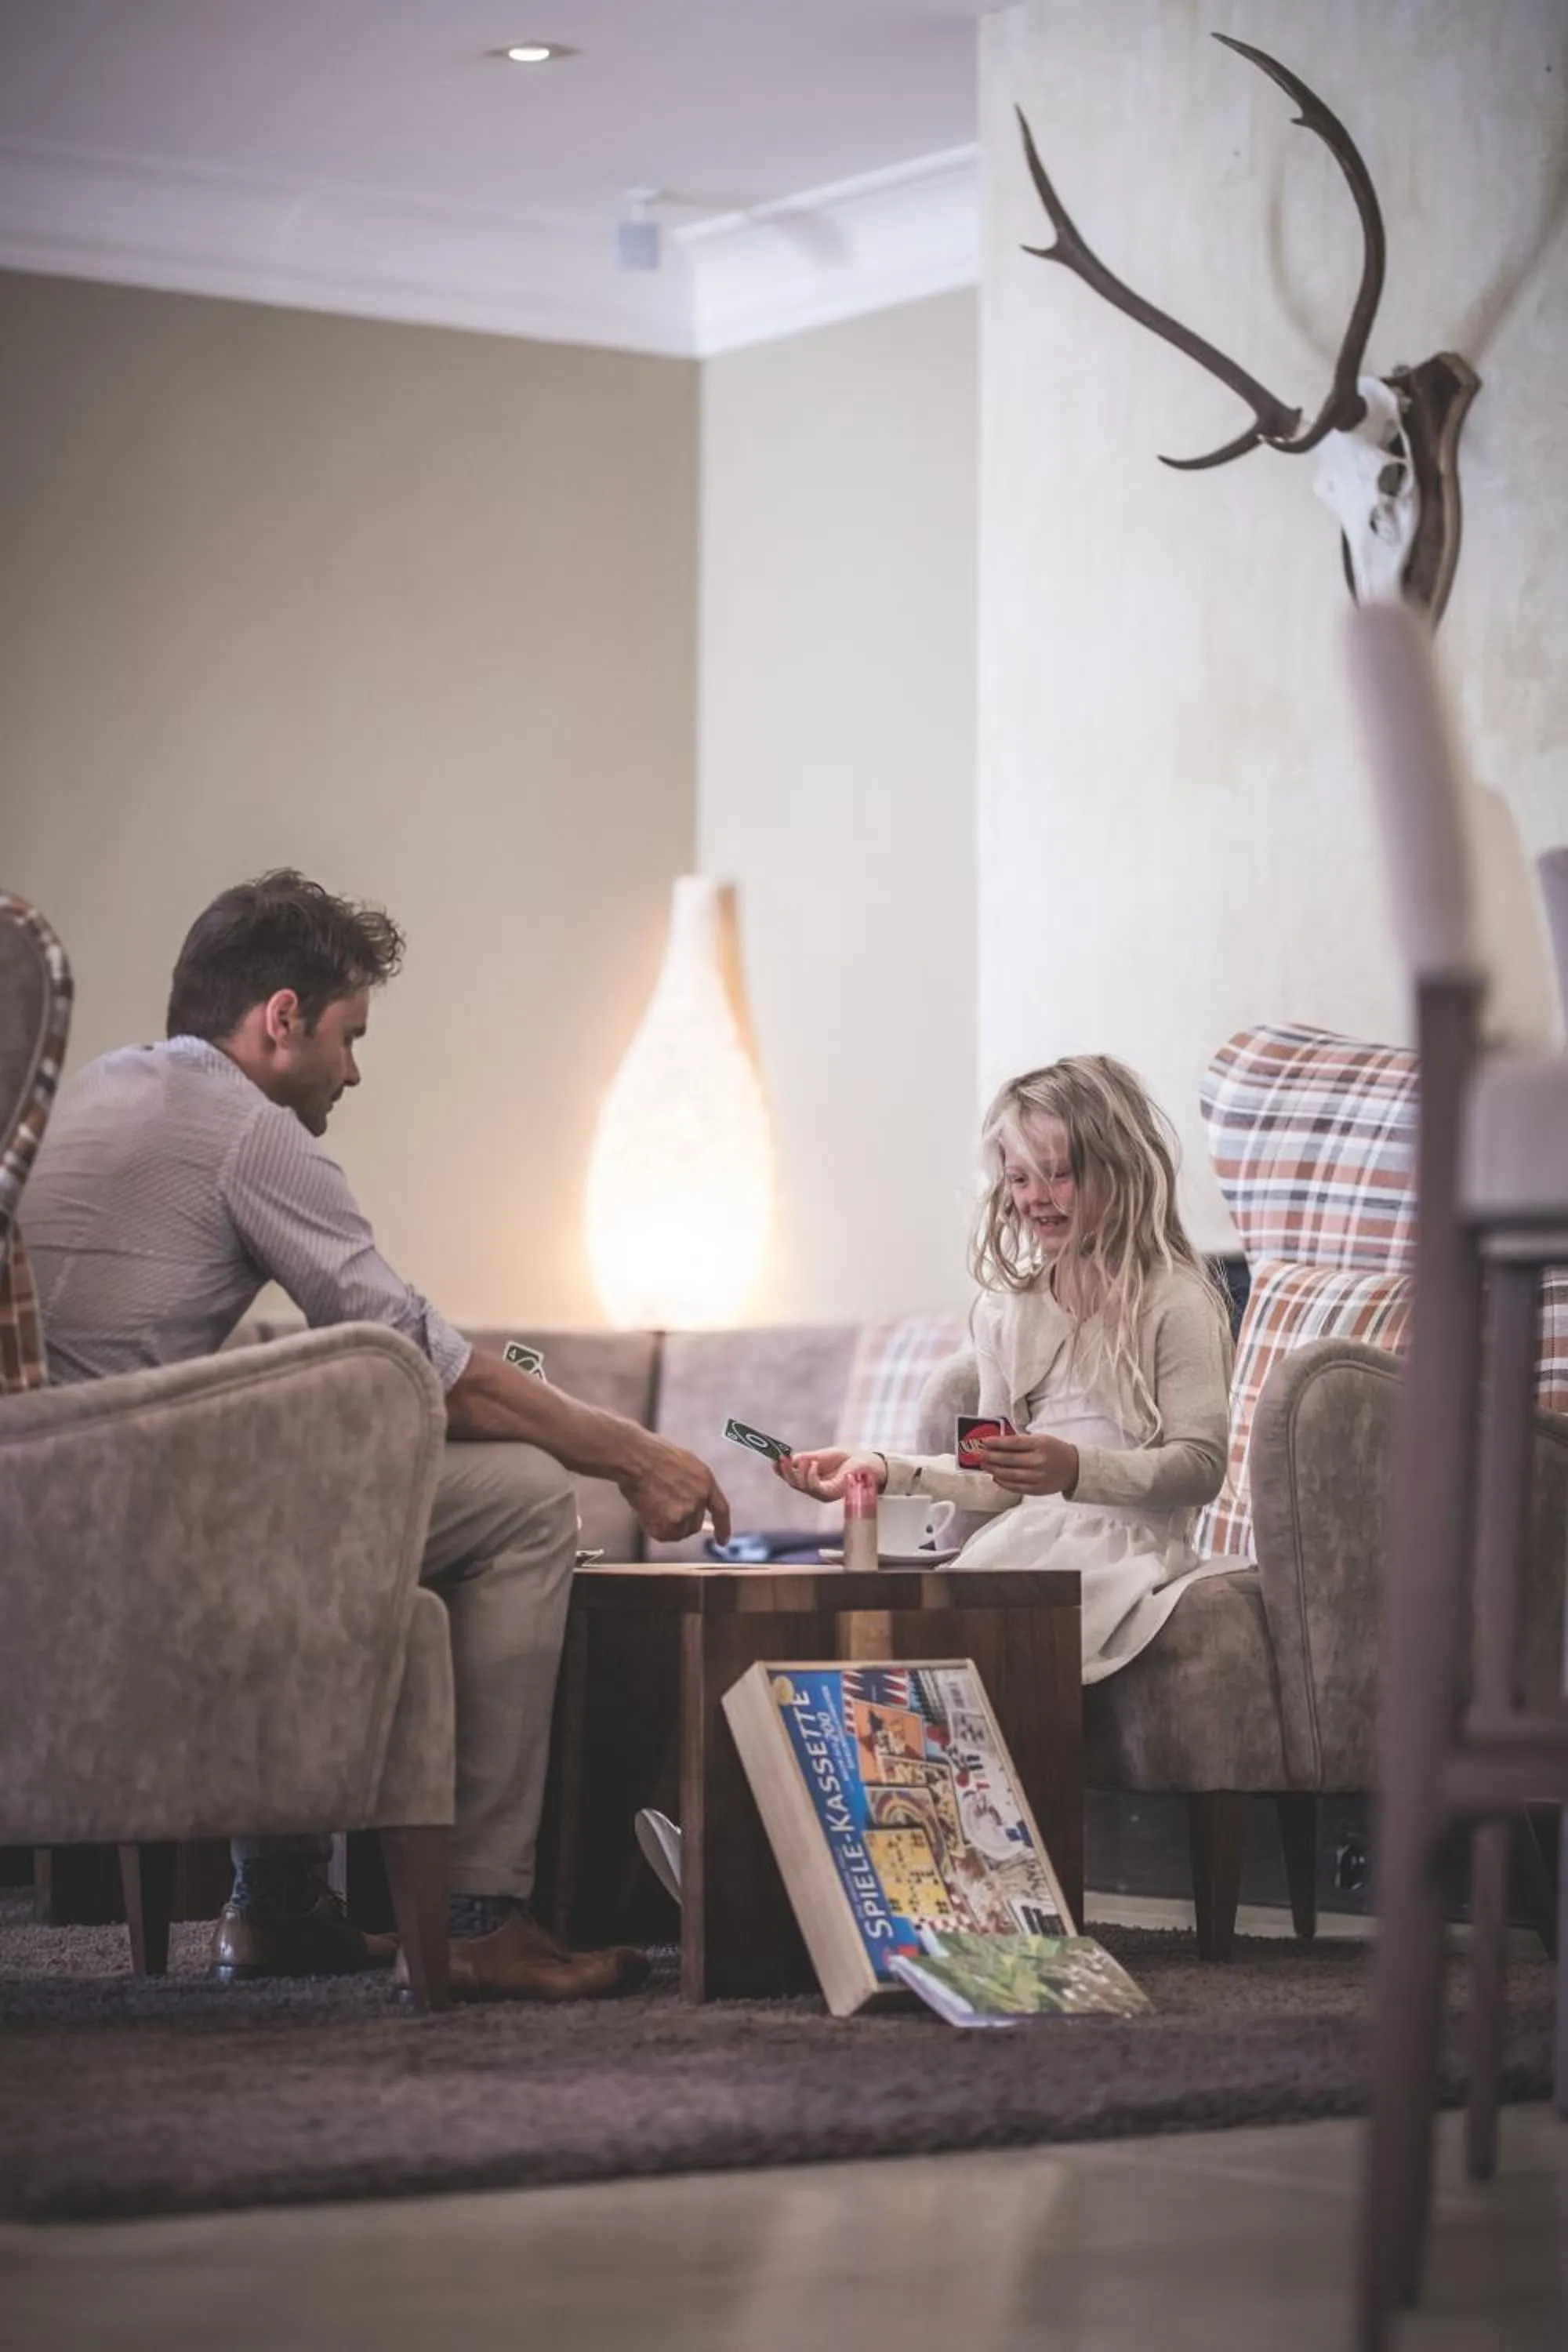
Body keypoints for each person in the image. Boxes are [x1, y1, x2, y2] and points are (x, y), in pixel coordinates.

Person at [24, 870, 731, 2000]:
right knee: (522, 1497)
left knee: (320, 1485)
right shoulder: (248, 1134)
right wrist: (634, 1455)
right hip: (126, 1532)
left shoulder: (97, 1091)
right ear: (283, 1017)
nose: (354, 1069)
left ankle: (277, 1905)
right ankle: (476, 1920)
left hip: (45, 1518)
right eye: (350, 1035)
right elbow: (433, 1378)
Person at [776, 1056, 1235, 1682]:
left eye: (1058, 1175)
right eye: (1019, 1179)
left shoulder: (1176, 1300)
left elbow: (1201, 1467)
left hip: (1132, 1554)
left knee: (998, 1643)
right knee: (910, 1642)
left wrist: (1075, 1467)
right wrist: (884, 1469)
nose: (1035, 1199)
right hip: (1026, 1540)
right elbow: (989, 1477)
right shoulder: (1006, 1315)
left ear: (1120, 1171)